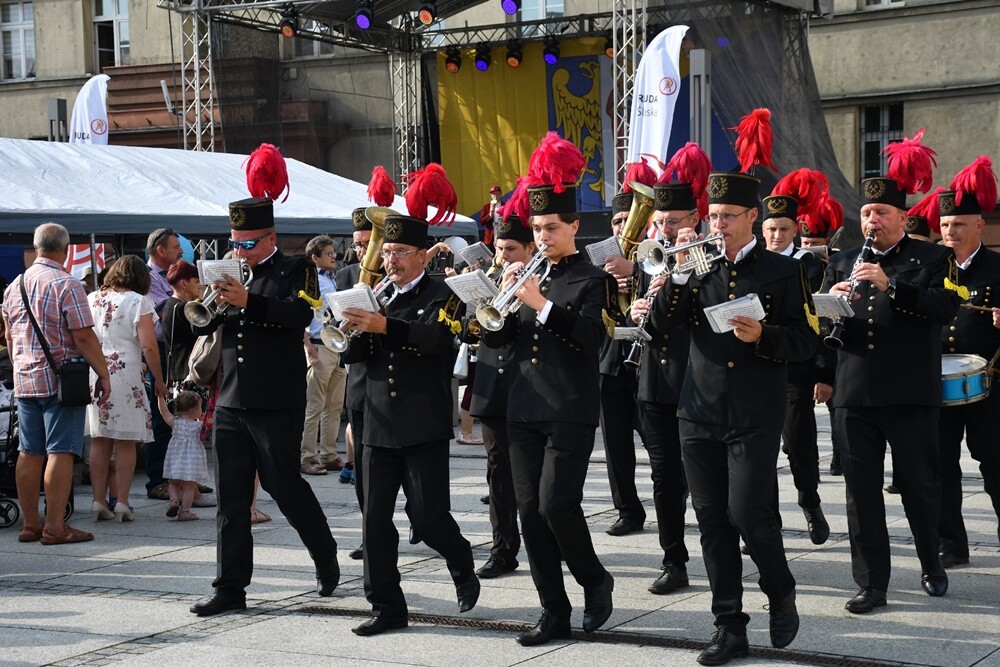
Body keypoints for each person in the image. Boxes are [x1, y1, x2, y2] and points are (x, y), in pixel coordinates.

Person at [650, 109, 817, 664]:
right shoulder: (693, 265)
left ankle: (780, 587)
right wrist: (673, 275)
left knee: (750, 515)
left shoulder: (782, 272)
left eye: (726, 216)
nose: (716, 224)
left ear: (752, 216)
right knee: (713, 522)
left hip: (753, 411)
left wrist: (764, 334)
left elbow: (805, 343)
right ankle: (729, 624)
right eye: (711, 215)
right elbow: (658, 328)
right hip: (697, 410)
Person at [188, 149, 340, 616]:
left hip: (277, 397)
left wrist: (248, 299)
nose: (240, 251)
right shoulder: (233, 271)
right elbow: (207, 327)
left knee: (283, 484)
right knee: (232, 501)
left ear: (270, 237)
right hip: (232, 398)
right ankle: (230, 588)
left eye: (249, 243)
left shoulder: (298, 269)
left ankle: (324, 553)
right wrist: (206, 305)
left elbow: (299, 314)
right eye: (235, 243)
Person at [480, 133, 617, 647]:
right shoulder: (525, 275)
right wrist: (501, 302)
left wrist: (538, 303)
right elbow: (498, 337)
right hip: (522, 406)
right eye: (537, 228)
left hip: (569, 408)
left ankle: (594, 579)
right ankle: (552, 611)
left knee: (557, 505)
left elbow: (587, 337)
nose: (543, 237)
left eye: (552, 228)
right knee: (530, 514)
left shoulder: (591, 279)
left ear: (575, 227)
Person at [821, 129, 960, 615]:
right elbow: (821, 324)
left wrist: (892, 285)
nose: (871, 220)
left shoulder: (933, 257)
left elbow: (944, 308)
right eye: (865, 213)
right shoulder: (842, 258)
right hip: (854, 393)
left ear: (903, 217)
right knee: (860, 493)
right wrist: (831, 306)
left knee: (920, 485)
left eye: (881, 213)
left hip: (909, 391)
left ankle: (931, 564)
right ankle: (871, 582)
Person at [340, 164, 479, 637]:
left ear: (423, 255)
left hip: (421, 422)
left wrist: (384, 326)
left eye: (400, 252)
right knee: (374, 522)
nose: (390, 260)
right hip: (377, 421)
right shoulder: (375, 294)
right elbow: (356, 355)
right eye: (388, 251)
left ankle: (460, 559)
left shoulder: (446, 293)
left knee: (428, 517)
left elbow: (439, 340)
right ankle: (385, 606)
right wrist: (348, 329)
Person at [627, 142, 711, 596]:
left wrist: (682, 275)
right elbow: (648, 315)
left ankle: (730, 542)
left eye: (673, 222)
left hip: (697, 381)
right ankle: (673, 560)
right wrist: (641, 305)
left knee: (704, 477)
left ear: (693, 221)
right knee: (663, 477)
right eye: (660, 222)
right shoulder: (650, 256)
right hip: (654, 381)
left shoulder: (709, 257)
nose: (664, 228)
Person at [2, 222, 111, 545]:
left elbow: (9, 337)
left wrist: (21, 365)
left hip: (24, 379)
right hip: (63, 381)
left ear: (36, 248)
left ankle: (30, 524)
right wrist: (103, 373)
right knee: (60, 451)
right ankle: (55, 527)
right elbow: (82, 336)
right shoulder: (67, 284)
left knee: (28, 452)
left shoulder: (14, 286)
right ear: (65, 250)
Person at [459, 198, 531, 579]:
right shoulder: (488, 278)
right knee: (498, 474)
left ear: (530, 249)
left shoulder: (541, 280)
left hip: (531, 391)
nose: (503, 256)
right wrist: (486, 299)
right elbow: (470, 330)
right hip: (492, 387)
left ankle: (548, 541)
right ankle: (503, 549)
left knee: (534, 479)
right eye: (500, 249)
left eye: (511, 249)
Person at [933, 157, 1000, 566]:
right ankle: (951, 543)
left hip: (989, 382)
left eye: (958, 225)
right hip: (936, 380)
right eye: (944, 226)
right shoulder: (929, 266)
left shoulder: (999, 267)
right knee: (940, 466)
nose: (949, 233)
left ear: (980, 226)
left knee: (994, 460)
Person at [761, 175, 831, 546]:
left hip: (794, 367)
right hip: (758, 364)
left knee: (798, 443)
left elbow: (816, 322)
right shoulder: (752, 260)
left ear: (795, 229)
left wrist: (822, 372)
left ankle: (810, 502)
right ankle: (767, 518)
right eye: (770, 228)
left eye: (783, 228)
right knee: (760, 446)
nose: (776, 235)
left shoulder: (807, 264)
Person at [86, 254, 168, 523]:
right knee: (125, 441)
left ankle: (98, 500)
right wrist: (158, 378)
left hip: (97, 373)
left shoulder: (93, 299)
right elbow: (148, 345)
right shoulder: (138, 301)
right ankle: (121, 501)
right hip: (126, 373)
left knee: (100, 439)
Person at [597, 174, 652, 537]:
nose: (622, 227)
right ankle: (627, 510)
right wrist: (605, 285)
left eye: (628, 220)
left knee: (657, 439)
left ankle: (674, 493)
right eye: (618, 221)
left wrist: (638, 276)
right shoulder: (599, 260)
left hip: (648, 362)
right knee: (616, 445)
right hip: (610, 361)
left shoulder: (653, 255)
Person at [300, 234, 346, 476]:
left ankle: (329, 454)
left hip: (336, 345)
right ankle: (307, 456)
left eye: (333, 253)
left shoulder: (331, 278)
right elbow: (300, 315)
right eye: (329, 254)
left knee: (334, 405)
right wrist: (307, 345)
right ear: (315, 257)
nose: (334, 257)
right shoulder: (309, 280)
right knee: (314, 406)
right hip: (319, 345)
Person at [145, 228, 183, 501]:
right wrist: (183, 294)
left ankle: (184, 479)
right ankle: (158, 480)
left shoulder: (174, 273)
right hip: (160, 350)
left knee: (183, 416)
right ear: (160, 251)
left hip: (178, 350)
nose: (180, 251)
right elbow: (161, 317)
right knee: (160, 417)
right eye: (175, 247)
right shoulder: (147, 279)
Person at [157, 390, 210, 521]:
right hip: (192, 461)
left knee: (173, 483)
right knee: (189, 487)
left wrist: (160, 397)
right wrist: (205, 418)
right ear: (194, 409)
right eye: (200, 407)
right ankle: (185, 512)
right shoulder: (199, 426)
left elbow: (164, 412)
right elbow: (210, 428)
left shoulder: (175, 422)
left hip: (175, 459)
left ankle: (174, 500)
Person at [162, 260, 202, 387]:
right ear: (184, 283)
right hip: (187, 373)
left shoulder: (171, 304)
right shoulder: (181, 308)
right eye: (196, 281)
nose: (200, 285)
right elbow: (199, 334)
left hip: (179, 372)